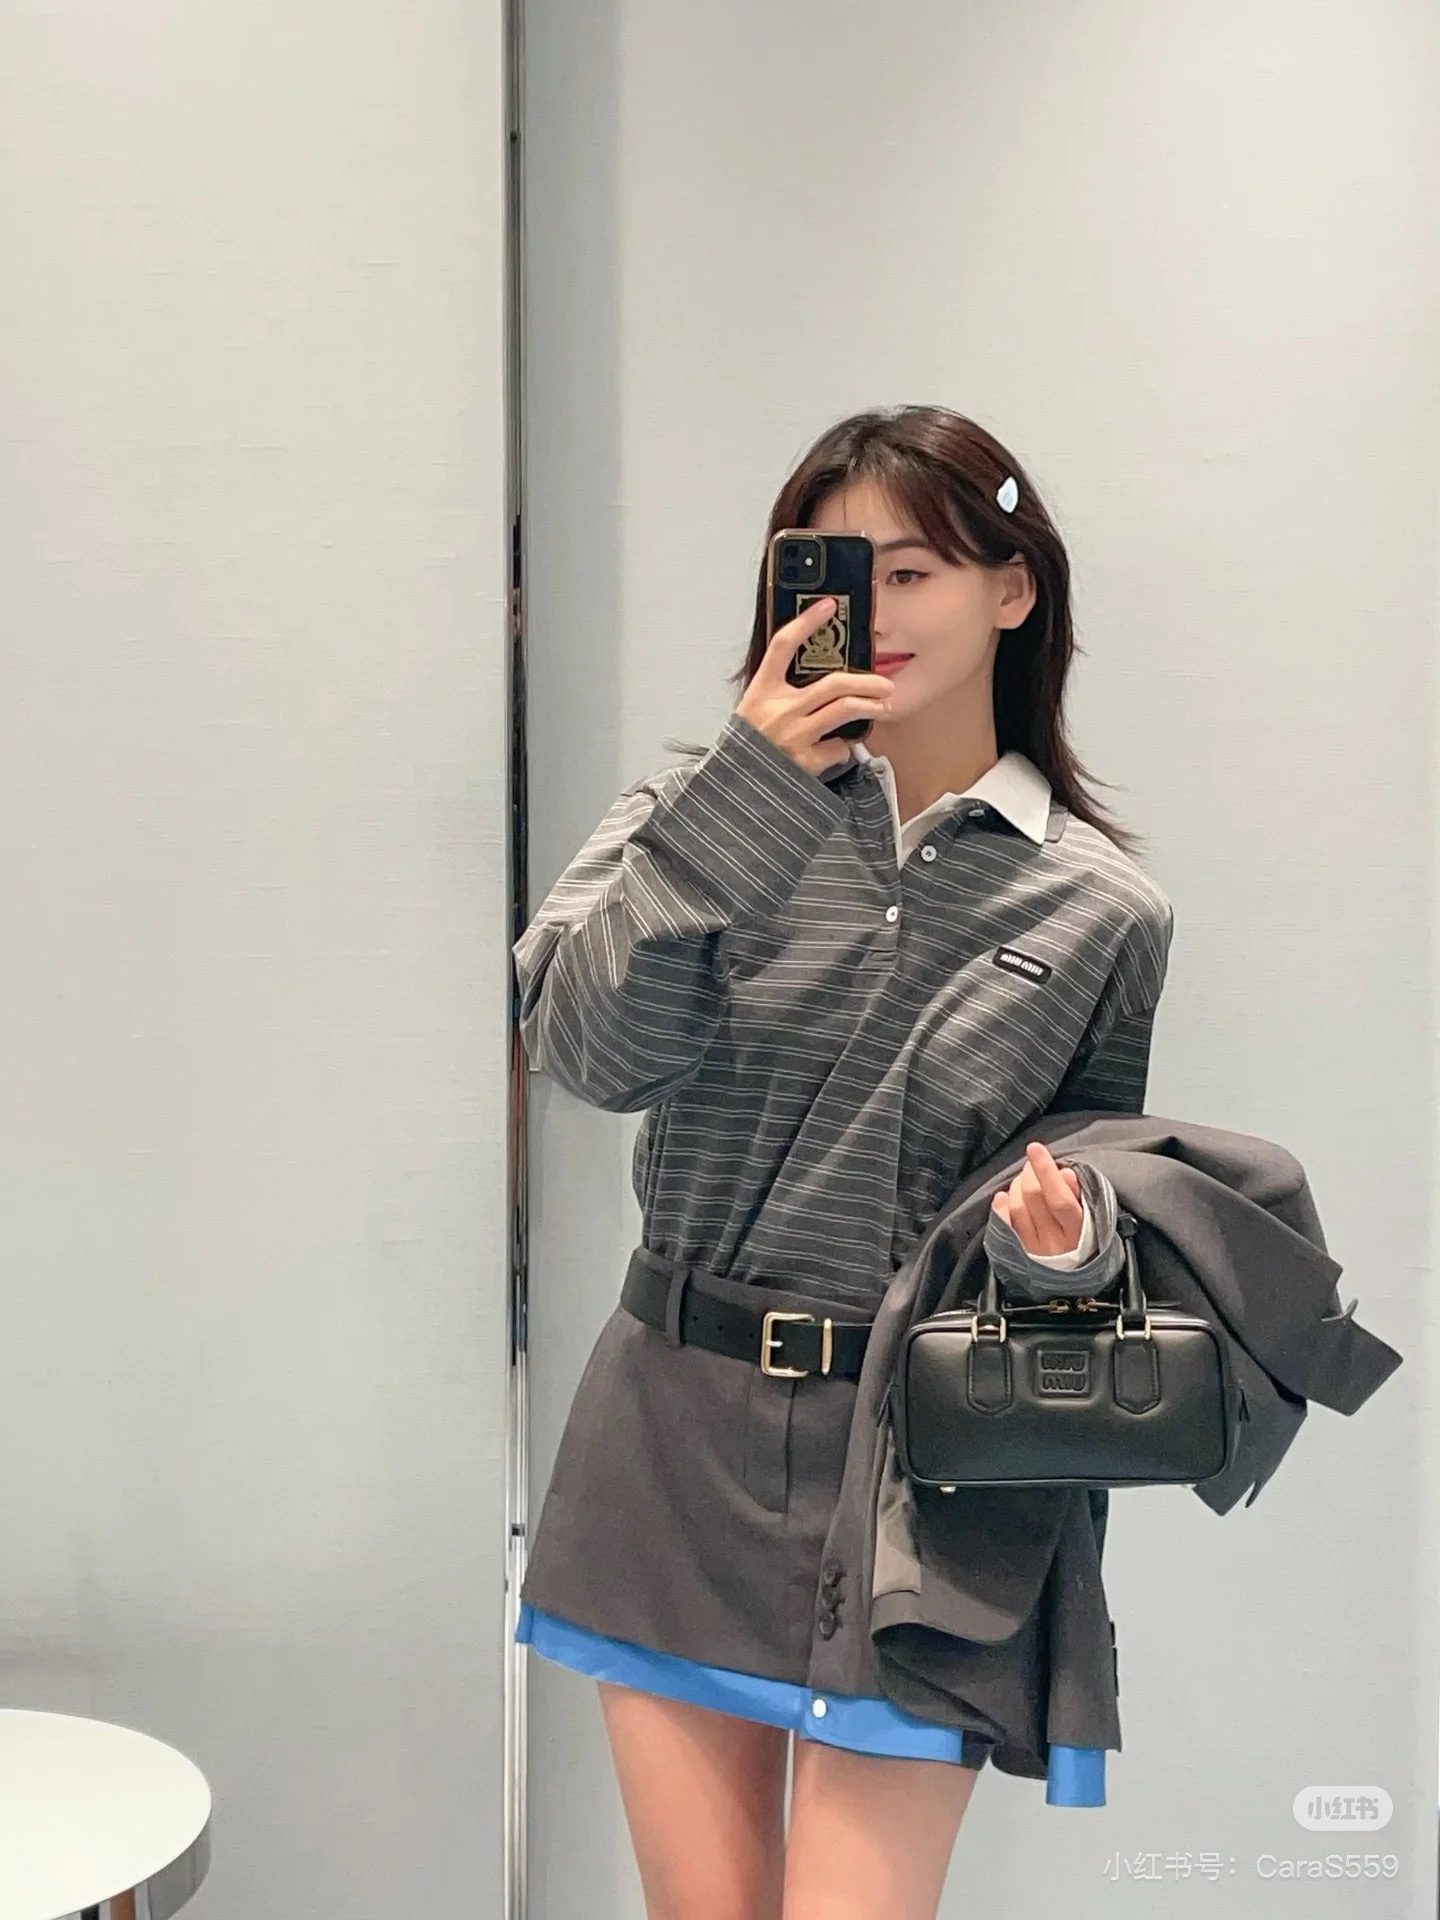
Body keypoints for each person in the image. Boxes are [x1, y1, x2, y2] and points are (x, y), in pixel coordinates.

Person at [511, 404, 1174, 1919]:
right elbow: (592, 1060)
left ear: (1014, 588)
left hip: (923, 1471)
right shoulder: (684, 819)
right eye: (835, 572)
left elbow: (1098, 1203)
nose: (872, 611)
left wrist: (1068, 1246)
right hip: (678, 1432)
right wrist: (743, 796)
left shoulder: (1100, 908)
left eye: (915, 570)